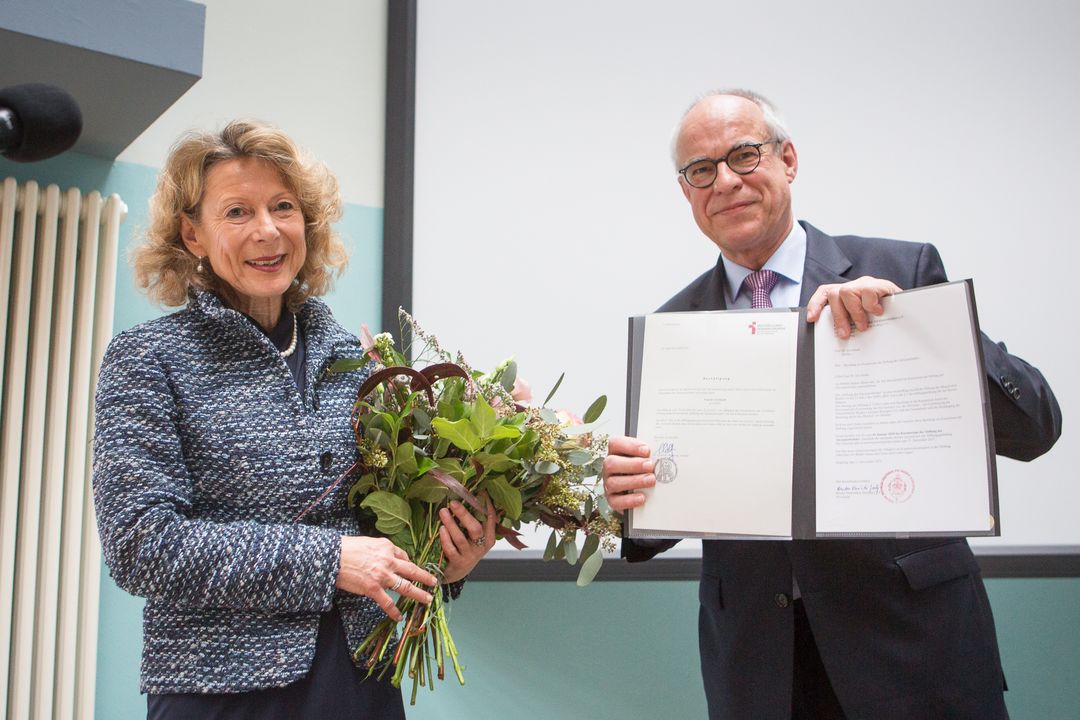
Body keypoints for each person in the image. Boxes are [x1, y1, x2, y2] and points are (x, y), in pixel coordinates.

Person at [603, 90, 1062, 720]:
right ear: (687, 192)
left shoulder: (898, 270)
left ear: (787, 159)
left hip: (913, 651)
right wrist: (619, 488)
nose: (726, 182)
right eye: (701, 171)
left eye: (744, 155)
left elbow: (1035, 426)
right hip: (762, 672)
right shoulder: (675, 326)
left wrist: (916, 325)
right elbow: (655, 514)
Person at [92, 120, 497, 719]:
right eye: (237, 212)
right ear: (192, 235)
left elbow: (383, 532)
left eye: (284, 207)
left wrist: (446, 560)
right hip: (220, 691)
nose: (267, 230)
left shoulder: (364, 364)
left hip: (361, 680)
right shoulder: (148, 359)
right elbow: (141, 545)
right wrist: (330, 559)